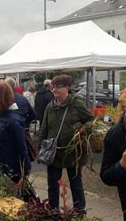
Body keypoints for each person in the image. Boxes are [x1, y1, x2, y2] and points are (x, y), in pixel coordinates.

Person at [39, 74, 93, 211]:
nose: (54, 90)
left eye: (58, 87)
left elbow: (91, 120)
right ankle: (53, 209)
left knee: (75, 182)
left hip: (73, 152)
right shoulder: (50, 107)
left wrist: (82, 130)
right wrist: (41, 148)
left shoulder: (76, 104)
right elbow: (44, 128)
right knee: (52, 183)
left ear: (67, 88)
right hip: (54, 152)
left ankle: (79, 210)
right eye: (53, 87)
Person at [0, 81, 31, 183]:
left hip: (12, 171)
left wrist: (25, 171)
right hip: (1, 166)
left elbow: (22, 147)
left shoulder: (13, 121)